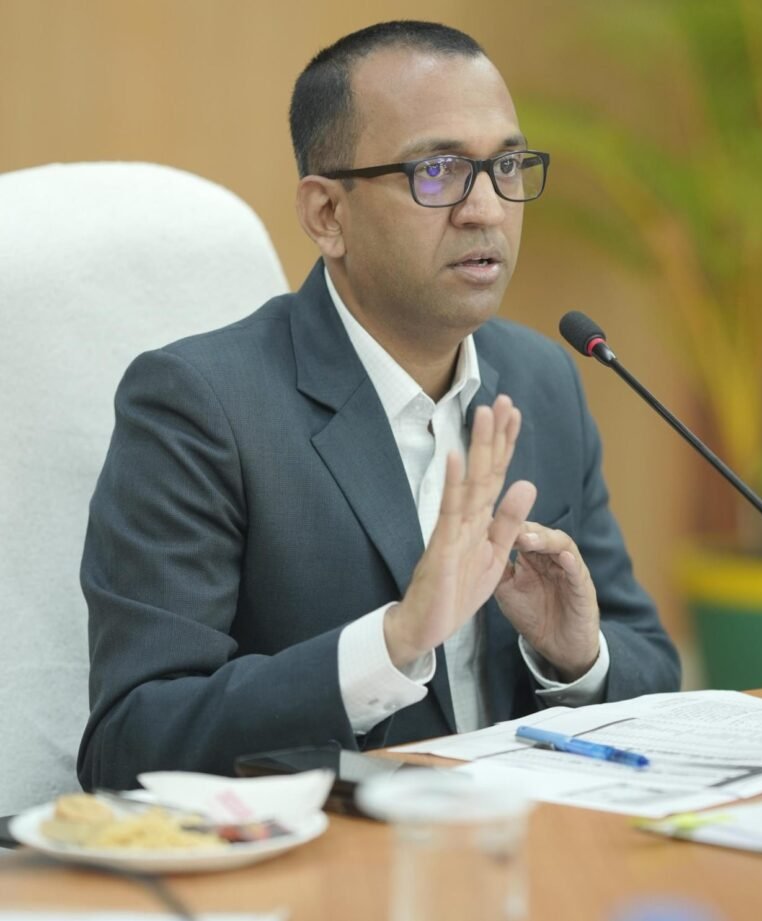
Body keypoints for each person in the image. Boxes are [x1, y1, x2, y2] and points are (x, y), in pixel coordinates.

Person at [78, 20, 679, 790]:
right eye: (438, 171)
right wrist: (390, 645)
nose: (487, 209)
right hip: (336, 851)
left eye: (506, 165)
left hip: (533, 837)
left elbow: (652, 662)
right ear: (328, 215)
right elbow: (129, 742)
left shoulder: (543, 380)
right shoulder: (202, 406)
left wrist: (575, 657)